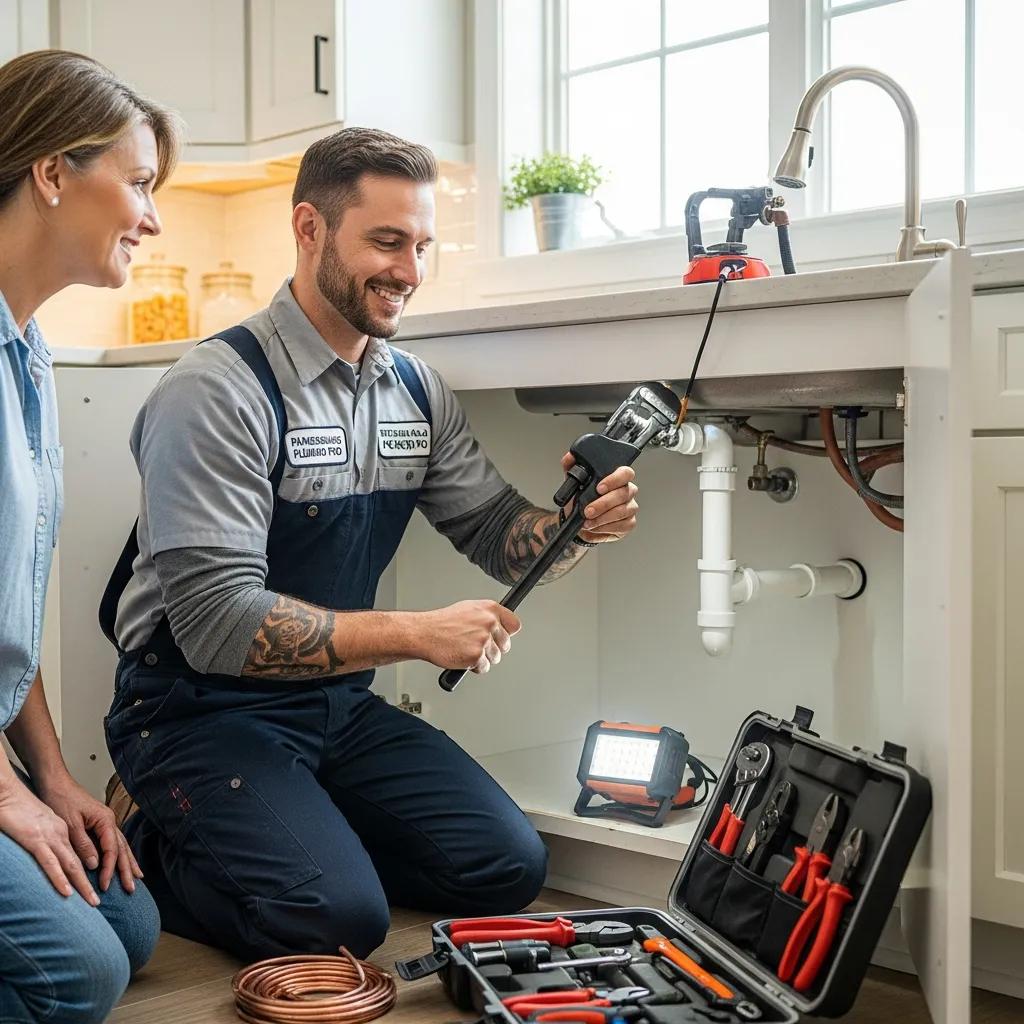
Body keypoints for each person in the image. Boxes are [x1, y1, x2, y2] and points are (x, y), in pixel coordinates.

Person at [103, 126, 641, 963]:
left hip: (334, 705)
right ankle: (153, 836)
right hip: (193, 712)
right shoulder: (216, 390)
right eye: (387, 241)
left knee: (507, 865)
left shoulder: (414, 391)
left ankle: (296, 837)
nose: (410, 271)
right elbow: (216, 625)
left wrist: (577, 524)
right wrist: (418, 635)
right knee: (335, 922)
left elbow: (504, 539)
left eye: (422, 245)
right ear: (310, 228)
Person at [0, 50, 181, 1023]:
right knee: (82, 974)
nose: (151, 217)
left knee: (131, 925)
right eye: (139, 181)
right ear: (52, 171)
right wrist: (7, 798)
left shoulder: (26, 351)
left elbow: (8, 613)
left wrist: (56, 781)